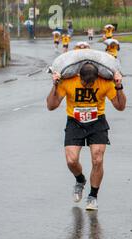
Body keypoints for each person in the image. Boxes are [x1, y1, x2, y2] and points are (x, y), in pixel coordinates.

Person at [46, 63, 126, 210]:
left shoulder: (105, 83)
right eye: (85, 83)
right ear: (79, 77)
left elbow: (120, 107)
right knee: (71, 160)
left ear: (97, 78)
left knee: (98, 158)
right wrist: (55, 86)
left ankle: (93, 197)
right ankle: (80, 180)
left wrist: (119, 86)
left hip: (97, 122)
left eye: (91, 83)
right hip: (74, 122)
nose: (88, 86)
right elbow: (51, 106)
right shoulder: (69, 82)